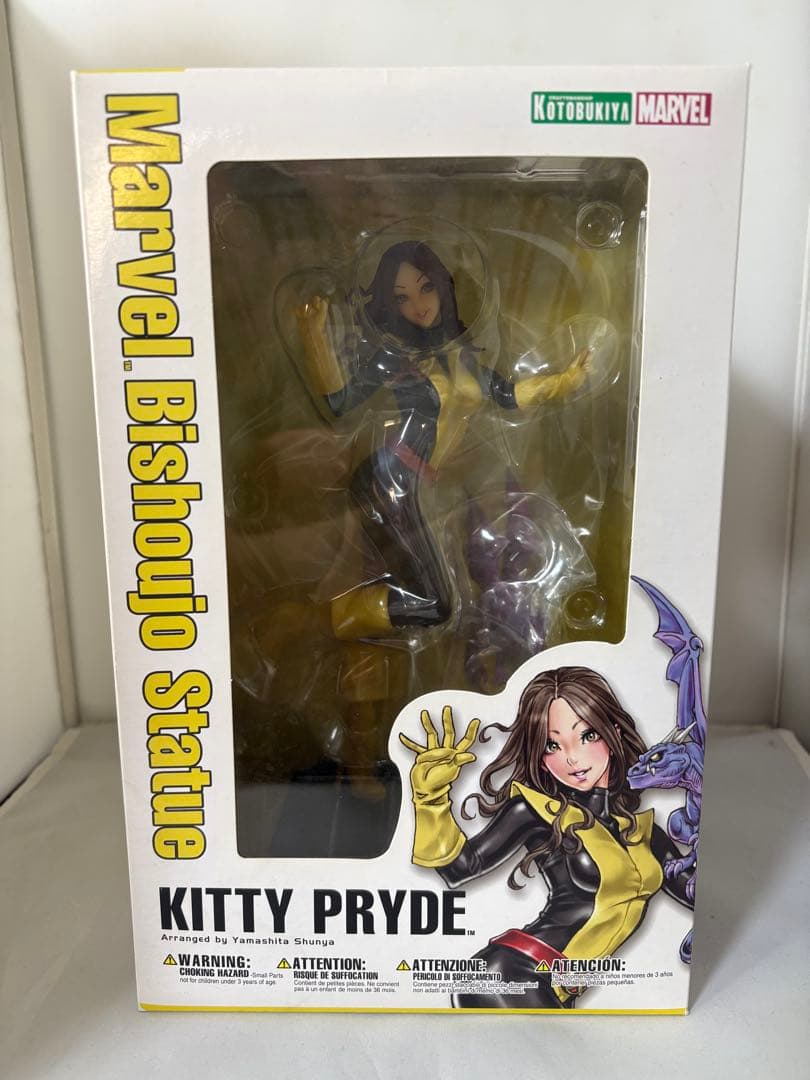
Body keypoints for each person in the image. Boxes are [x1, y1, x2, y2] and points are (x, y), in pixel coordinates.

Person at [295, 239, 590, 643]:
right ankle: (328, 620)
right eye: (403, 297)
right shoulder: (396, 358)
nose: (418, 305)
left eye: (426, 288)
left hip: (413, 485)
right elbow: (339, 402)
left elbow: (509, 395)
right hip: (386, 481)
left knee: (430, 598)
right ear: (391, 305)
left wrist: (565, 381)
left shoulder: (463, 357)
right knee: (435, 604)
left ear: (443, 286)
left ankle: (338, 622)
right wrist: (313, 335)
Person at [398, 666, 694, 1008]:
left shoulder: (644, 833)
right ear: (540, 757)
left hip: (559, 987)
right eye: (552, 745)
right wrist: (430, 798)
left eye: (587, 736)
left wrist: (699, 790)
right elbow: (460, 868)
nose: (572, 757)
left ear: (612, 734)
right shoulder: (536, 811)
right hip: (510, 974)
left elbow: (692, 892)